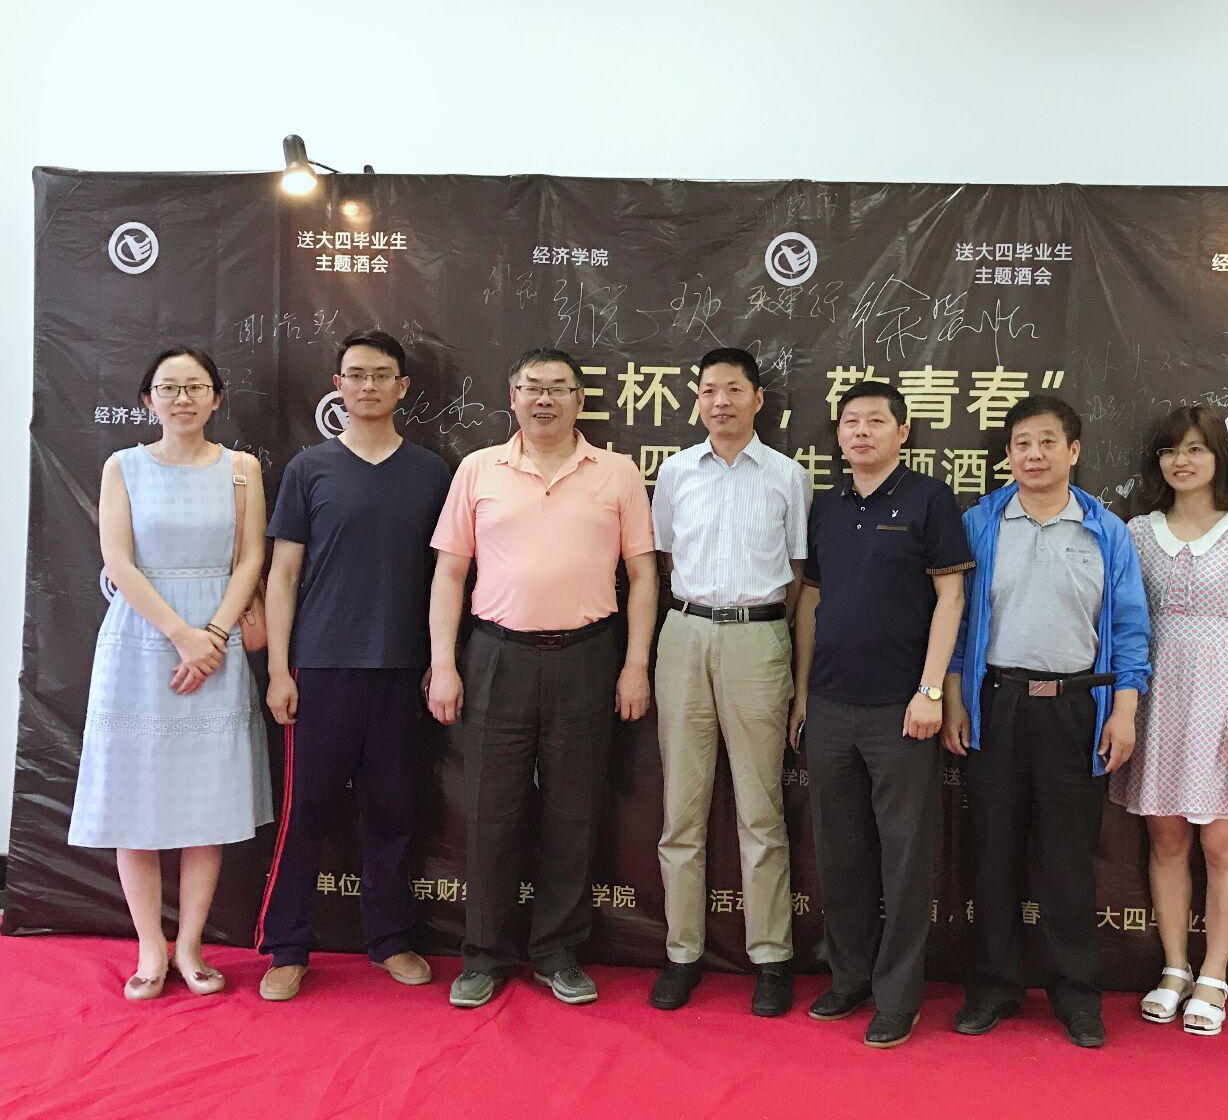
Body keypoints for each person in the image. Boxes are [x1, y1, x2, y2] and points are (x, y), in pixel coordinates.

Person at [427, 349, 657, 1010]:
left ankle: (558, 953)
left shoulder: (616, 472)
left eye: (559, 389)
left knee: (573, 813)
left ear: (580, 400)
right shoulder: (479, 469)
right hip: (496, 656)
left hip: (588, 656)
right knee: (491, 811)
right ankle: (484, 955)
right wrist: (443, 663)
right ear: (513, 396)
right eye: (532, 388)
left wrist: (635, 663)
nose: (544, 400)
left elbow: (643, 575)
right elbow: (449, 573)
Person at [941, 395, 1151, 1049]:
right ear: (1008, 454)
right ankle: (992, 988)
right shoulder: (979, 523)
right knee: (992, 855)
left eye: (1047, 442)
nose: (1033, 455)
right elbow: (957, 624)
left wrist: (1124, 712)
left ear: (1074, 451)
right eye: (1021, 444)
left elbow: (1130, 630)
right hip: (995, 704)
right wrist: (955, 701)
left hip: (1075, 709)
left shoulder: (1105, 530)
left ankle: (1076, 994)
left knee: (1068, 862)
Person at [69, 347, 272, 999]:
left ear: (216, 397)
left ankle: (190, 946)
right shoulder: (123, 466)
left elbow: (251, 560)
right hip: (141, 638)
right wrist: (182, 635)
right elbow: (118, 560)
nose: (182, 398)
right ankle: (149, 949)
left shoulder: (241, 469)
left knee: (205, 800)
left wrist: (213, 635)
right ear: (147, 399)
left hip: (219, 637)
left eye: (195, 386)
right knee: (136, 800)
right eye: (169, 387)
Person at [255, 331, 452, 1001]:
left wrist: (438, 661)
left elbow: (446, 576)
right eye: (357, 375)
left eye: (382, 375)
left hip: (402, 671)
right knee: (305, 812)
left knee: (392, 812)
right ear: (337, 386)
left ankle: (390, 939)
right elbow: (283, 575)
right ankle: (287, 946)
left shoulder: (431, 472)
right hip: (320, 669)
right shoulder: (309, 469)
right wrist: (280, 670)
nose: (369, 386)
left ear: (402, 387)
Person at [789, 381, 973, 1048]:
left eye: (874, 421)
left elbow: (951, 599)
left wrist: (930, 692)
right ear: (838, 435)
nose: (860, 432)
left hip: (902, 709)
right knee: (840, 853)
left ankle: (898, 997)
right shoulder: (827, 506)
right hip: (830, 704)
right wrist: (803, 695)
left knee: (904, 857)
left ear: (903, 431)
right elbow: (812, 603)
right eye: (850, 422)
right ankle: (850, 977)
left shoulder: (929, 499)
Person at [648, 347, 811, 1016]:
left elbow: (798, 573)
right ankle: (681, 953)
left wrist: (759, 626)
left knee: (760, 810)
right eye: (709, 389)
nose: (721, 401)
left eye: (734, 389)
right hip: (684, 633)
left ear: (757, 399)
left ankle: (770, 957)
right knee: (681, 811)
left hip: (759, 637)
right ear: (697, 399)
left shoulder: (788, 476)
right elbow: (665, 558)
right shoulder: (675, 472)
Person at [1109, 407, 1228, 1036]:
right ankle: (1175, 967)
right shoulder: (1137, 532)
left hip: (1225, 697)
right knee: (1167, 840)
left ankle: (1215, 974)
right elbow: (1125, 622)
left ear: (1218, 458)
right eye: (1170, 451)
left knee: (1222, 842)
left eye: (1195, 449)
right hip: (1157, 698)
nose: (1182, 461)